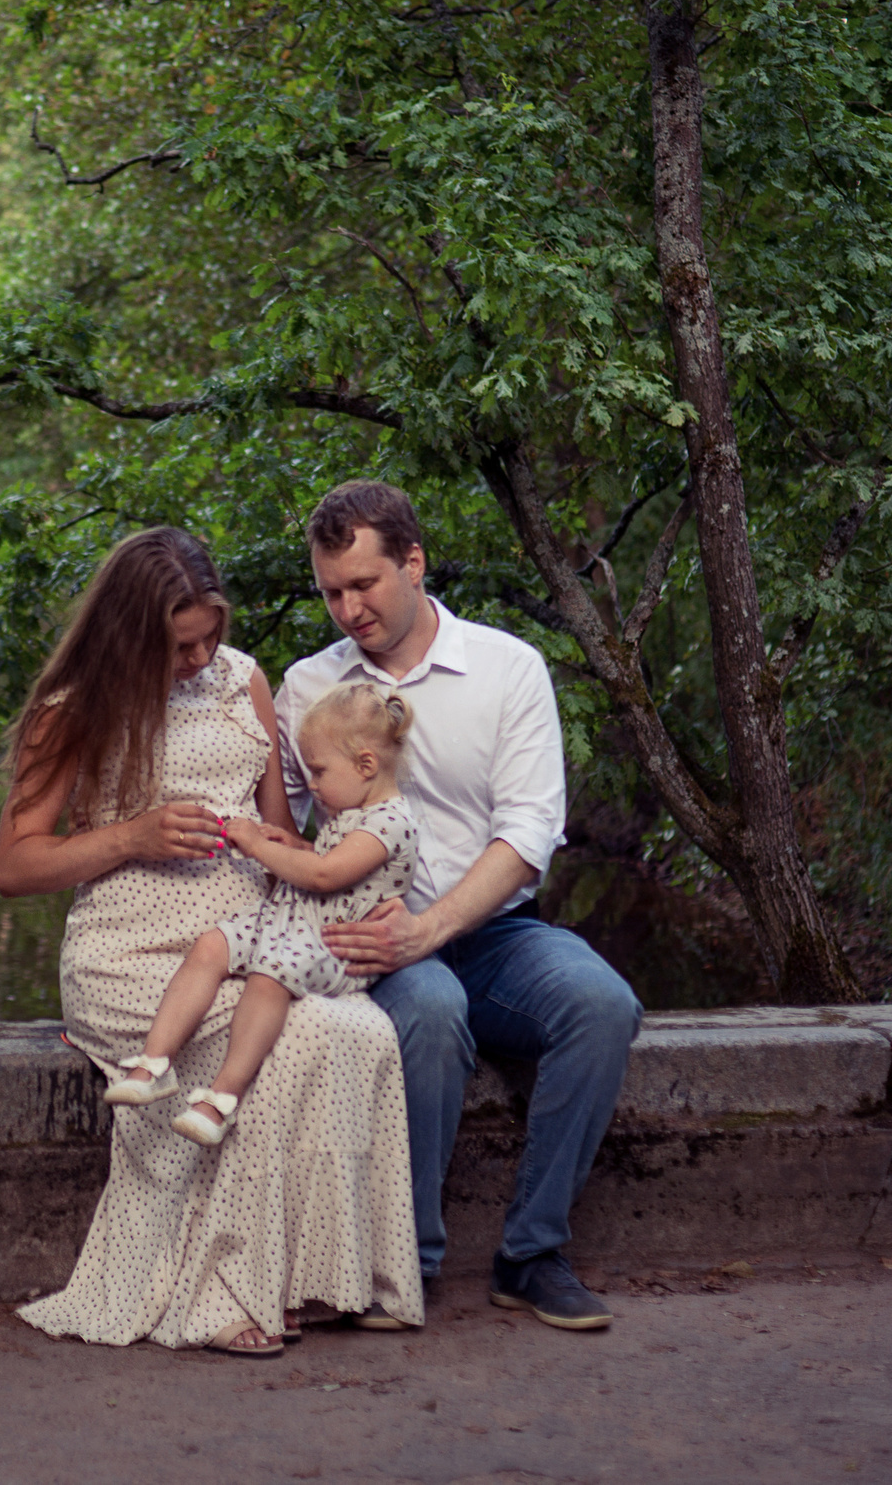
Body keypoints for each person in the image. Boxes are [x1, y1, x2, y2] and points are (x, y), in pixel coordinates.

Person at [0, 527, 420, 1357]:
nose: (200, 658)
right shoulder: (73, 710)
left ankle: (316, 1277)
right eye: (178, 646)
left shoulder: (244, 680)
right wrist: (133, 835)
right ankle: (224, 1293)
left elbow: (279, 827)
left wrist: (347, 888)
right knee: (285, 1045)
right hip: (132, 952)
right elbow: (15, 864)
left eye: (210, 635)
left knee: (356, 1027)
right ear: (129, 636)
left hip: (251, 932)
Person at [279, 480, 641, 1332]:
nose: (349, 608)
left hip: (491, 932)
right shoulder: (307, 686)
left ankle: (532, 1254)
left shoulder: (508, 668)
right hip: (368, 939)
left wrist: (432, 928)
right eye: (332, 591)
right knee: (432, 1011)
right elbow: (278, 823)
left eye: (365, 584)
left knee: (603, 1004)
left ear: (414, 562)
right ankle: (406, 1263)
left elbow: (529, 832)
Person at [102, 682, 420, 1151]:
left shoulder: (392, 821)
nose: (311, 784)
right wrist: (297, 845)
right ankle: (154, 1062)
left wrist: (256, 846)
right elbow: (330, 858)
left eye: (319, 770)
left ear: (365, 765)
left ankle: (222, 1097)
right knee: (212, 944)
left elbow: (328, 875)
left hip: (331, 944)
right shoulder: (358, 812)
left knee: (268, 977)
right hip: (290, 920)